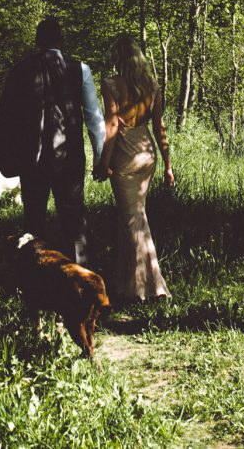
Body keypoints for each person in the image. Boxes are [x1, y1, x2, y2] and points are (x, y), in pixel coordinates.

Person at [0, 17, 105, 264]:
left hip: (32, 158)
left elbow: (5, 116)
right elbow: (94, 119)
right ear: (61, 40)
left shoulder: (21, 69)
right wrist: (100, 157)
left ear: (37, 41)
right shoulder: (80, 70)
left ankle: (34, 276)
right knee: (74, 221)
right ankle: (81, 276)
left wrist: (8, 156)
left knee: (33, 222)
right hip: (70, 158)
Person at [93, 35, 173, 303]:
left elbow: (112, 125)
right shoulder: (151, 85)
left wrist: (103, 162)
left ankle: (150, 288)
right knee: (133, 218)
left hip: (125, 155)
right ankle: (129, 284)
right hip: (147, 154)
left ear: (118, 57)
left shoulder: (110, 84)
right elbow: (160, 127)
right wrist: (168, 166)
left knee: (133, 221)